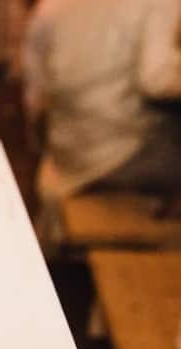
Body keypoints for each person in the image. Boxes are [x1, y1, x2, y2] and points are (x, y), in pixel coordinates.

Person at [23, 0, 181, 249]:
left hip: (65, 146)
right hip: (117, 155)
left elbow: (34, 86)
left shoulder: (52, 5)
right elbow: (156, 80)